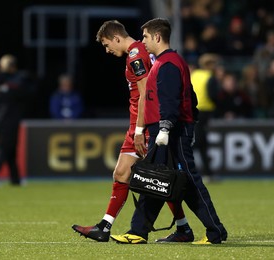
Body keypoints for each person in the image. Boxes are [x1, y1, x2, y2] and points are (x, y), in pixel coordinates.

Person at [72, 20, 193, 243]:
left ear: (117, 38)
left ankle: (182, 228)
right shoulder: (138, 51)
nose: (108, 51)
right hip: (137, 124)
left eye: (108, 45)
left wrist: (139, 130)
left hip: (144, 125)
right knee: (124, 174)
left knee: (158, 179)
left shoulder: (136, 54)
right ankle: (105, 226)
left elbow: (146, 91)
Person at [111, 18, 227, 245]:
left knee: (188, 182)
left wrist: (166, 127)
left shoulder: (168, 64)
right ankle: (138, 231)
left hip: (170, 132)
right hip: (167, 130)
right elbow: (191, 97)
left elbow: (172, 100)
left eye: (145, 36)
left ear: (156, 37)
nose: (142, 41)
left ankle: (216, 232)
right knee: (153, 179)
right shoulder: (168, 62)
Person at [0, 54, 30, 186]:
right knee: (4, 150)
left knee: (10, 150)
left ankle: (15, 179)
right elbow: (26, 95)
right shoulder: (15, 83)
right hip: (9, 121)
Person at [190, 53, 219, 181]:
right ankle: (192, 171)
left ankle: (207, 172)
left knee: (200, 143)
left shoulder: (194, 75)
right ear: (209, 65)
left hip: (192, 111)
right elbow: (213, 96)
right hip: (204, 112)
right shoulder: (210, 77)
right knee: (200, 143)